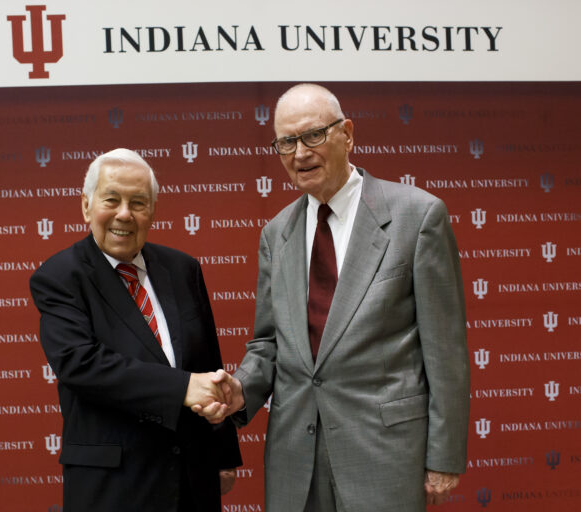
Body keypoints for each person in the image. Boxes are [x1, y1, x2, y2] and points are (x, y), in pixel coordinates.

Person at [196, 84, 470, 511]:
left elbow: (445, 350)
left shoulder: (417, 217)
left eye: (313, 135)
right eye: (286, 142)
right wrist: (240, 390)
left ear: (347, 134)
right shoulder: (275, 234)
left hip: (385, 452)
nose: (300, 153)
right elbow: (268, 344)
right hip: (294, 456)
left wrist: (444, 456)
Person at [29, 148, 241, 512]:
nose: (124, 214)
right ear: (86, 206)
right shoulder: (60, 277)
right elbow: (81, 364)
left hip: (191, 477)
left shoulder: (182, 268)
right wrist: (182, 388)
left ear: (152, 211)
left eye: (138, 202)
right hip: (114, 486)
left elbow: (208, 361)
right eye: (112, 199)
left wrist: (222, 454)